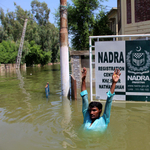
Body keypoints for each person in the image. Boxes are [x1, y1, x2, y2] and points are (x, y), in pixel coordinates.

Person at [80, 67, 121, 131]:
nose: (91, 113)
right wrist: (83, 80)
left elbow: (109, 101)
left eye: (94, 110)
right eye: (90, 110)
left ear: (100, 111)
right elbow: (84, 98)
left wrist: (114, 83)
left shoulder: (104, 119)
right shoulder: (86, 117)